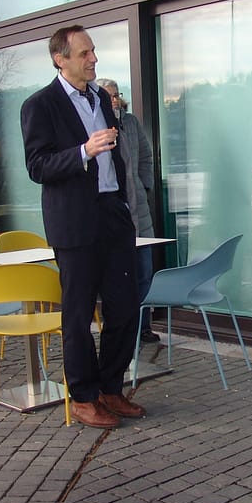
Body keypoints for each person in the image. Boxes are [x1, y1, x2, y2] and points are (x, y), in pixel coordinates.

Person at [20, 26, 145, 429]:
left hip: (112, 215)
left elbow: (116, 157)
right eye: (84, 53)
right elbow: (37, 166)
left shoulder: (101, 99)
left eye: (93, 51)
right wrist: (83, 151)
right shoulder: (40, 105)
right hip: (74, 223)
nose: (93, 59)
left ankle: (111, 387)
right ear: (60, 59)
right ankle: (84, 397)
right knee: (77, 315)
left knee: (124, 306)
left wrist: (123, 201)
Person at [95, 77, 159, 344]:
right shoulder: (95, 125)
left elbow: (146, 156)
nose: (113, 100)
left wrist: (144, 186)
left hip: (139, 212)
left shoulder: (130, 123)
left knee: (144, 272)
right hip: (112, 213)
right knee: (117, 278)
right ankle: (121, 330)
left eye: (115, 95)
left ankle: (143, 327)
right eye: (107, 96)